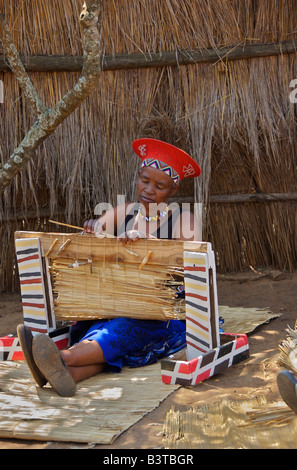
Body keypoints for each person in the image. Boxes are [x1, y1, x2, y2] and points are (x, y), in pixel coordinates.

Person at [17, 138, 201, 397]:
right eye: (144, 180)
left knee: (122, 329)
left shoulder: (184, 220)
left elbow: (189, 267)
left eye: (160, 186)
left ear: (173, 189)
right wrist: (94, 230)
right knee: (95, 326)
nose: (149, 190)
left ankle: (58, 358)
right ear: (138, 175)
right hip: (119, 302)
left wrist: (149, 243)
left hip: (163, 314)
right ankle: (68, 374)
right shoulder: (126, 211)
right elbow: (98, 231)